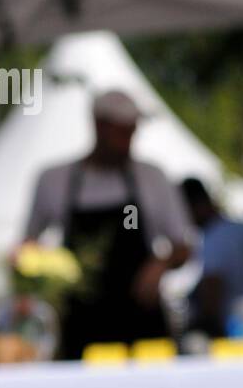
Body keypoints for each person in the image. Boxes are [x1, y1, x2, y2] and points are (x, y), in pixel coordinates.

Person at [24, 89, 192, 359]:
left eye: (132, 131)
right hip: (81, 325)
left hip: (141, 323)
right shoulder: (55, 180)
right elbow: (27, 247)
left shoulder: (152, 178)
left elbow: (184, 246)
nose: (128, 141)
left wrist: (160, 264)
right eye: (121, 132)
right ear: (98, 126)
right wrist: (41, 276)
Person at [180, 178, 243, 338]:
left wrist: (204, 326)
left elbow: (213, 287)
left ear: (195, 206)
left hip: (237, 329)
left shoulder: (214, 238)